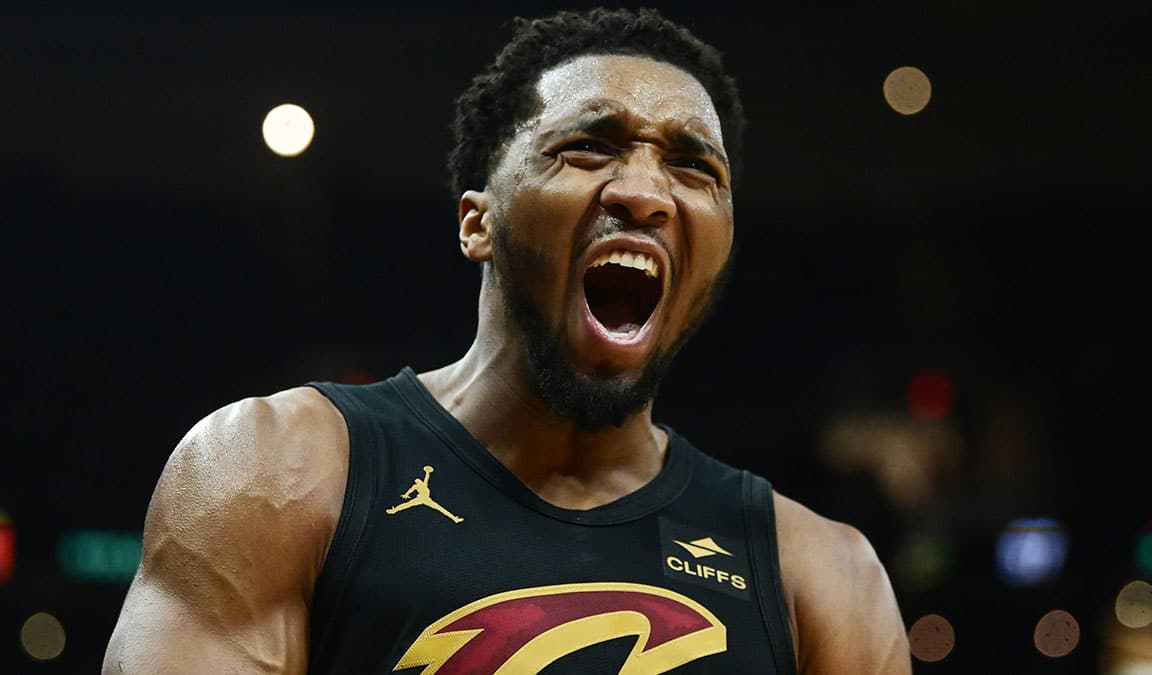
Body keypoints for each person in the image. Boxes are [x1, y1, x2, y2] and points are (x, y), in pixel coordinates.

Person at [103, 7, 910, 673]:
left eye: (695, 169)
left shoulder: (822, 575)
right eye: (589, 146)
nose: (644, 192)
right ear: (477, 221)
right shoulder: (276, 471)